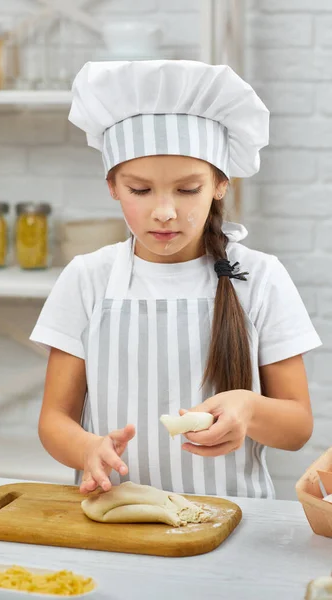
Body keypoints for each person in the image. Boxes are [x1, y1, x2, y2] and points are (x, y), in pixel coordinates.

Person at [30, 60, 321, 499]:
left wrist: (249, 408)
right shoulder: (88, 278)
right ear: (112, 185)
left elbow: (297, 427)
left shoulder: (259, 278)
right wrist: (87, 447)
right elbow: (54, 420)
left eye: (187, 190)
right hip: (113, 522)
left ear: (221, 184)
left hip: (235, 524)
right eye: (140, 190)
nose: (164, 211)